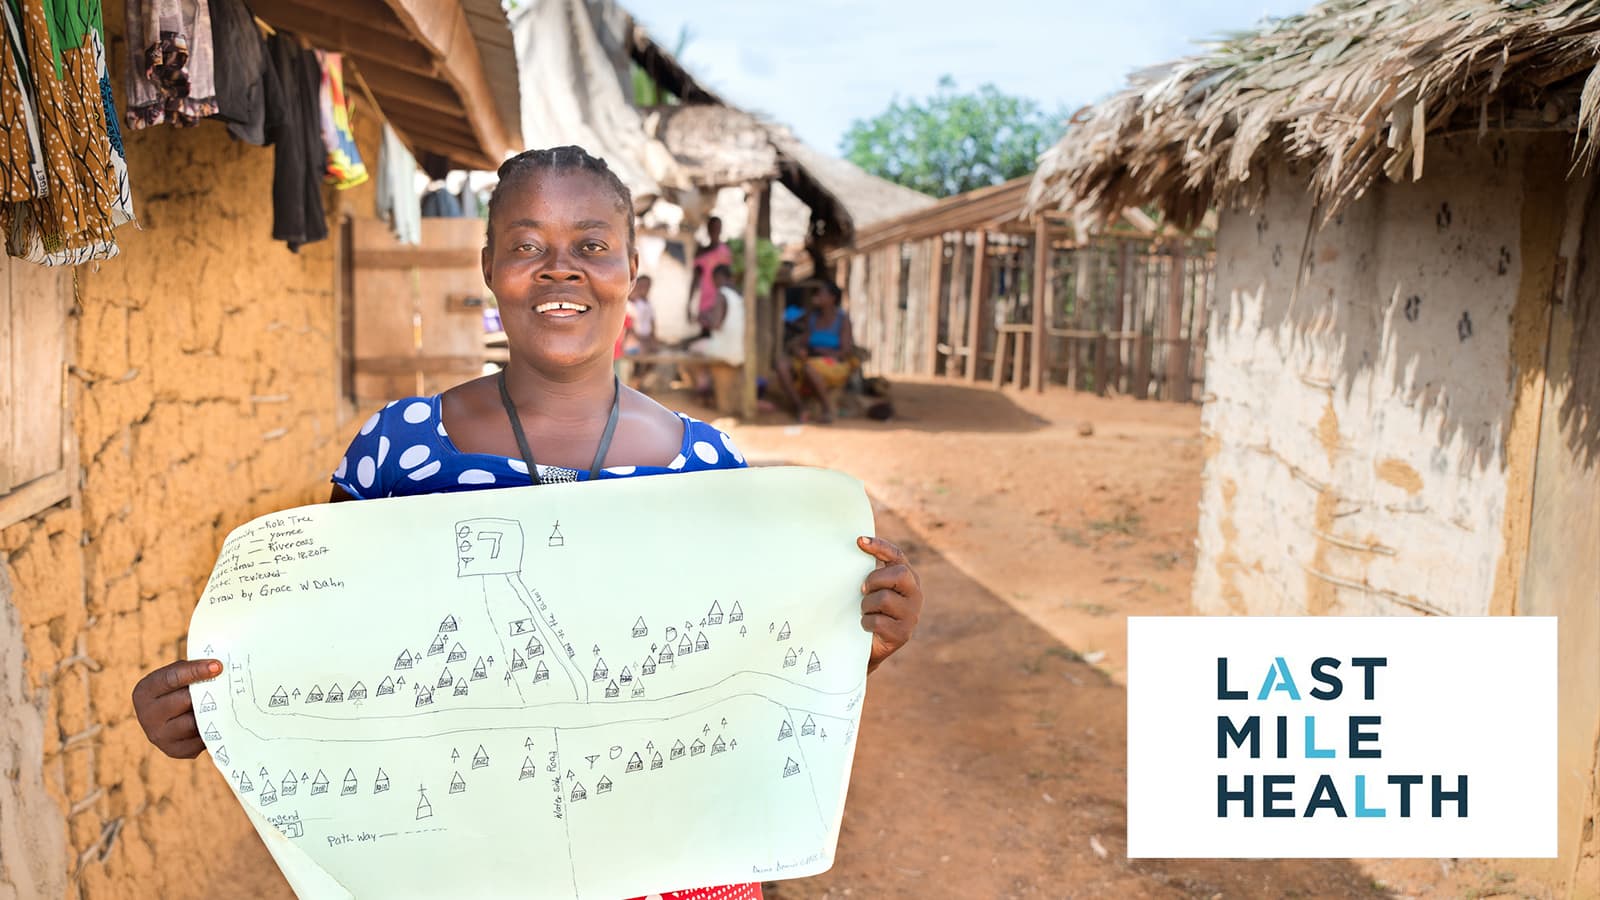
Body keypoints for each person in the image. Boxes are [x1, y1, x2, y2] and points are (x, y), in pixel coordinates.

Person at [128, 146, 923, 900]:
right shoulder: (397, 452)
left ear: (631, 270)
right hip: (460, 863)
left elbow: (747, 679)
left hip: (670, 863)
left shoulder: (705, 464)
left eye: (592, 244)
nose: (560, 268)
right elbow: (327, 656)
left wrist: (864, 641)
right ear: (488, 269)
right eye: (526, 245)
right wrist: (215, 714)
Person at [776, 279, 856, 423]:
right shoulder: (812, 318)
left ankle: (827, 410)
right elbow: (802, 342)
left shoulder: (842, 320)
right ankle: (800, 408)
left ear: (832, 298)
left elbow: (845, 351)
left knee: (810, 368)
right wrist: (798, 350)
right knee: (782, 365)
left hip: (834, 363)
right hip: (810, 360)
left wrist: (822, 353)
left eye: (821, 293)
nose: (817, 296)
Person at [681, 265, 744, 408]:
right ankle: (706, 388)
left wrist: (702, 318)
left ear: (718, 278)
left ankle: (703, 390)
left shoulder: (722, 294)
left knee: (692, 350)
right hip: (739, 350)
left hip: (725, 349)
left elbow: (715, 324)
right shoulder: (737, 295)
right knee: (701, 350)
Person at [687, 216, 732, 335]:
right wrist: (689, 303)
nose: (715, 231)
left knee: (720, 332)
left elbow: (731, 277)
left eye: (717, 228)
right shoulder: (701, 252)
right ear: (708, 229)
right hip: (706, 299)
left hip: (721, 299)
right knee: (706, 333)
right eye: (712, 228)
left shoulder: (726, 251)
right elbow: (695, 279)